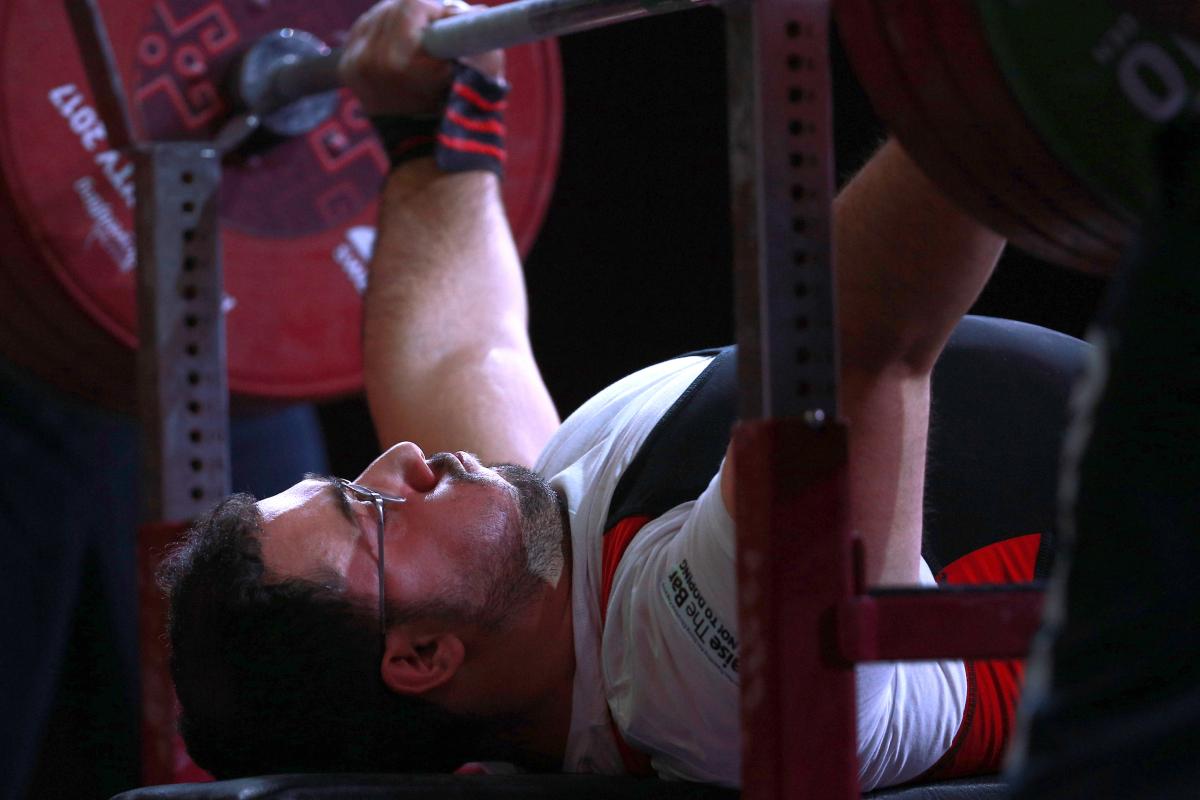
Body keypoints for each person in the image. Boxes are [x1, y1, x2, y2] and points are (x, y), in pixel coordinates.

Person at [158, 0, 1006, 790]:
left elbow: (459, 349)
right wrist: (1020, 56)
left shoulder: (551, 596)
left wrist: (436, 123)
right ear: (421, 656)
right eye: (365, 507)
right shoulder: (694, 667)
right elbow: (861, 338)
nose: (401, 459)